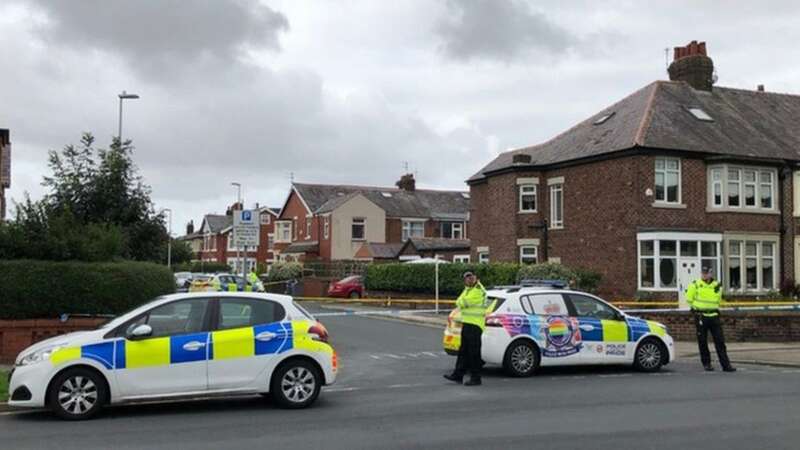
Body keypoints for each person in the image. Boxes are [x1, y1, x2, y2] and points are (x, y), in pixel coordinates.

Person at [686, 266, 736, 372]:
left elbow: (719, 300)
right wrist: (695, 309)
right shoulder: (695, 284)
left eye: (706, 273)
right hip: (701, 316)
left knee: (720, 341)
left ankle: (726, 365)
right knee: (702, 341)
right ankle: (707, 363)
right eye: (703, 273)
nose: (704, 275)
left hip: (714, 316)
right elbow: (689, 299)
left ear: (711, 274)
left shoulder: (717, 285)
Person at [444, 272, 489, 386]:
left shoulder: (478, 290)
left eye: (471, 277)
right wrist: (461, 301)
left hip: (475, 324)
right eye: (466, 278)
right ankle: (458, 375)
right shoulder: (468, 289)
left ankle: (476, 378)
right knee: (463, 351)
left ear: (476, 278)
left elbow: (462, 302)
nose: (468, 280)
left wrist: (461, 301)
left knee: (474, 353)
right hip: (467, 323)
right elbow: (459, 301)